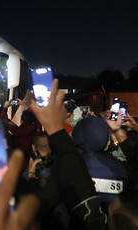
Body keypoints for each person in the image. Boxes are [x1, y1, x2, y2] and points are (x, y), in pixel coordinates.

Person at [29, 79, 107, 230]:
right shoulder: (122, 170)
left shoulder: (64, 168)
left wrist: (31, 175)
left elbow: (42, 204)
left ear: (76, 138)